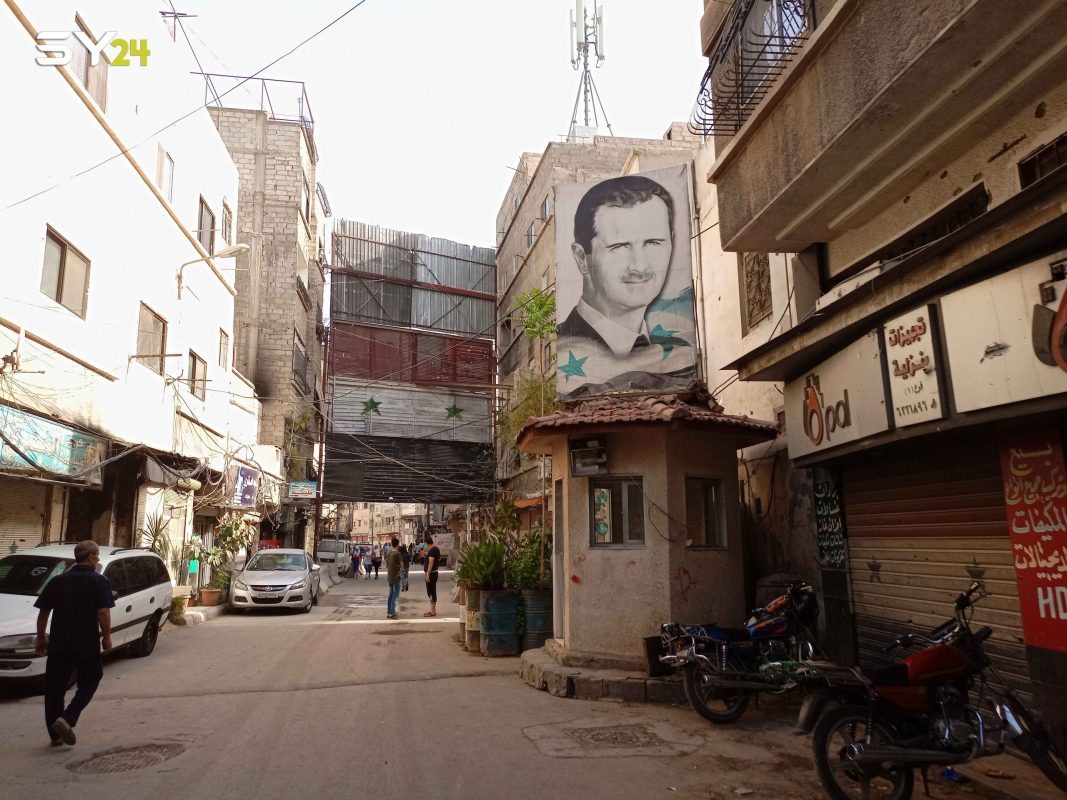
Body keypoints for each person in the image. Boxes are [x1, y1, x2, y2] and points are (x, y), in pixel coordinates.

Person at [556, 174, 696, 398]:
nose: (640, 266)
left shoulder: (676, 350)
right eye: (620, 247)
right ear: (582, 258)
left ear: (671, 241)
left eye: (653, 243)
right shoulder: (567, 345)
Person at [34, 540, 114, 747]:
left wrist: (41, 638)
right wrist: (107, 637)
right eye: (97, 555)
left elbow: (43, 612)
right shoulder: (99, 581)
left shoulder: (57, 581)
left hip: (59, 643)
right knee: (91, 679)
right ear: (91, 557)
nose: (98, 558)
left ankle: (55, 736)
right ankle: (67, 718)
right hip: (86, 643)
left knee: (55, 688)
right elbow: (103, 612)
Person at [422, 534, 441, 617]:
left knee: (431, 591)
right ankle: (432, 610)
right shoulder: (436, 549)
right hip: (433, 572)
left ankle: (432, 611)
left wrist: (428, 574)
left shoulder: (432, 550)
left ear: (427, 543)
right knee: (431, 591)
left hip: (432, 573)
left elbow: (431, 562)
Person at [386, 536, 402, 620]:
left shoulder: (389, 553)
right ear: (398, 544)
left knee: (391, 594)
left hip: (390, 577)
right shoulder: (397, 554)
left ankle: (389, 612)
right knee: (395, 595)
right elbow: (402, 565)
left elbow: (387, 565)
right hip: (396, 577)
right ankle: (392, 612)